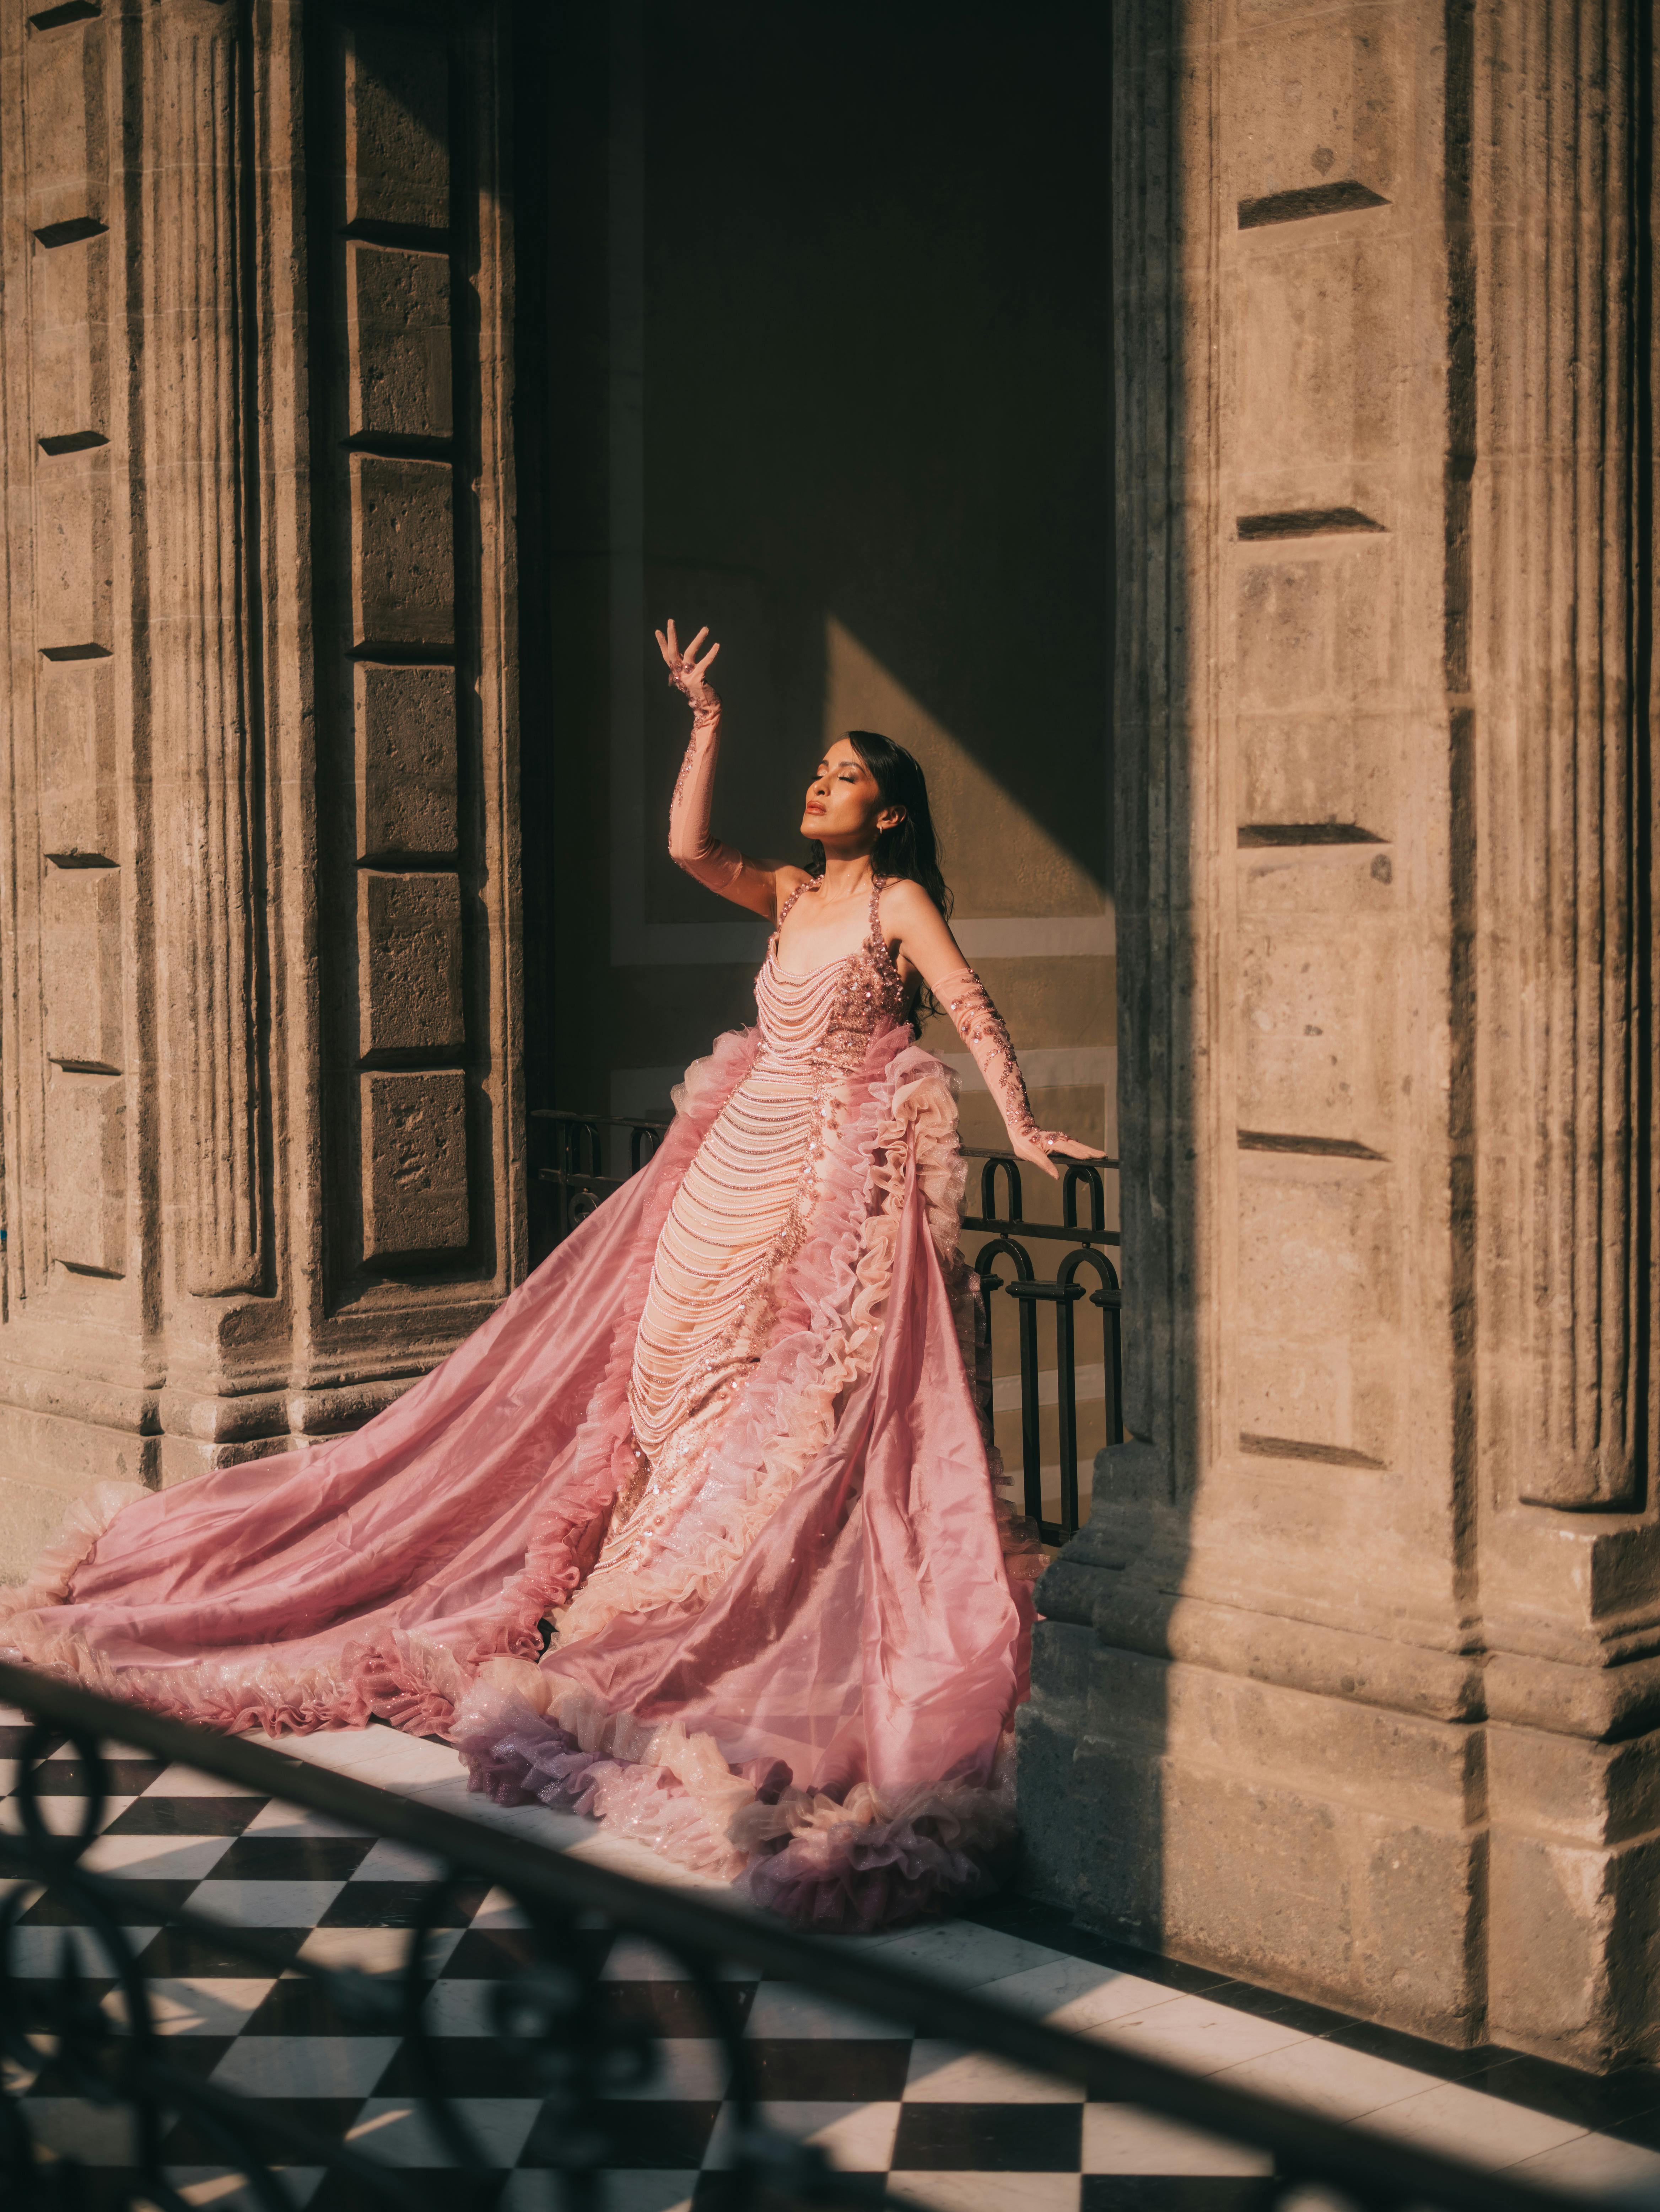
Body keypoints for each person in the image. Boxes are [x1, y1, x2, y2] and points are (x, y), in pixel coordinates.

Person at [0, 622, 1104, 1929]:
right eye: (815, 770)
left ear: (892, 809)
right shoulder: (793, 893)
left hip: (813, 1175)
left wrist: (1023, 1126)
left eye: (845, 775)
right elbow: (691, 851)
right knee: (667, 1370)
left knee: (764, 1393)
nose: (820, 786)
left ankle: (683, 1598)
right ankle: (623, 1578)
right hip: (723, 1162)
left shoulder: (891, 903)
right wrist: (702, 722)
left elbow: (970, 1011)